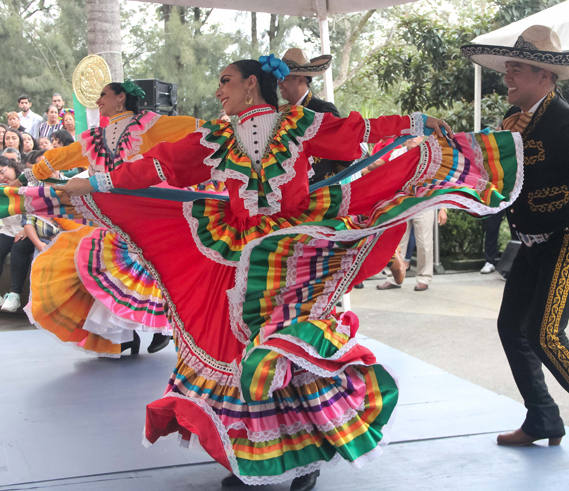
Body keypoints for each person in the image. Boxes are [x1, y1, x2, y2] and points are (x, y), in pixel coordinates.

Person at [43, 56, 523, 490]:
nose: (218, 92)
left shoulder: (301, 123)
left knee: (287, 352)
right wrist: (94, 183)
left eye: (225, 80)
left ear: (252, 85)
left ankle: (307, 459)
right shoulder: (216, 137)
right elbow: (158, 165)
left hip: (295, 252)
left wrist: (415, 123)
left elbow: (360, 132)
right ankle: (248, 458)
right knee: (238, 353)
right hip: (235, 251)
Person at [462, 25, 569, 458]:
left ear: (544, 76)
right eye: (508, 67)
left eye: (516, 68)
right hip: (531, 242)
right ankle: (543, 418)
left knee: (545, 332)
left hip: (568, 240)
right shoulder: (514, 122)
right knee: (510, 328)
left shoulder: (566, 121)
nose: (507, 75)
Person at [8, 80, 203, 358]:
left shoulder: (150, 124)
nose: (99, 100)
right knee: (104, 268)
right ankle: (127, 337)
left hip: (146, 213)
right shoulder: (94, 137)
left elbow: (195, 128)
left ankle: (161, 330)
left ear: (120, 98)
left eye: (104, 95)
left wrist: (226, 133)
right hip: (111, 216)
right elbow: (63, 156)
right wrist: (27, 177)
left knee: (150, 270)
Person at [375, 136, 447, 291]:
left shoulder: (431, 156)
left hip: (424, 203)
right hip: (401, 203)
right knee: (395, 242)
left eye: (416, 135)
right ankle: (392, 277)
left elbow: (440, 182)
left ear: (423, 138)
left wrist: (443, 208)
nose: (412, 139)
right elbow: (389, 178)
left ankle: (424, 279)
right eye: (410, 135)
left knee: (424, 244)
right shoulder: (396, 154)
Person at [279, 48, 350, 186]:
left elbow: (346, 145)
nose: (279, 84)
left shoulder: (322, 109)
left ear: (300, 80)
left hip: (320, 192)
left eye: (284, 79)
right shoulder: (281, 113)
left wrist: (330, 176)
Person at [0, 158, 35, 313]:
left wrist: (26, 228)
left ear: (12, 166)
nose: (2, 177)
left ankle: (15, 294)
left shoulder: (29, 183)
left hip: (29, 229)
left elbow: (37, 210)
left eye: (2, 171)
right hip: (8, 230)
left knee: (19, 249)